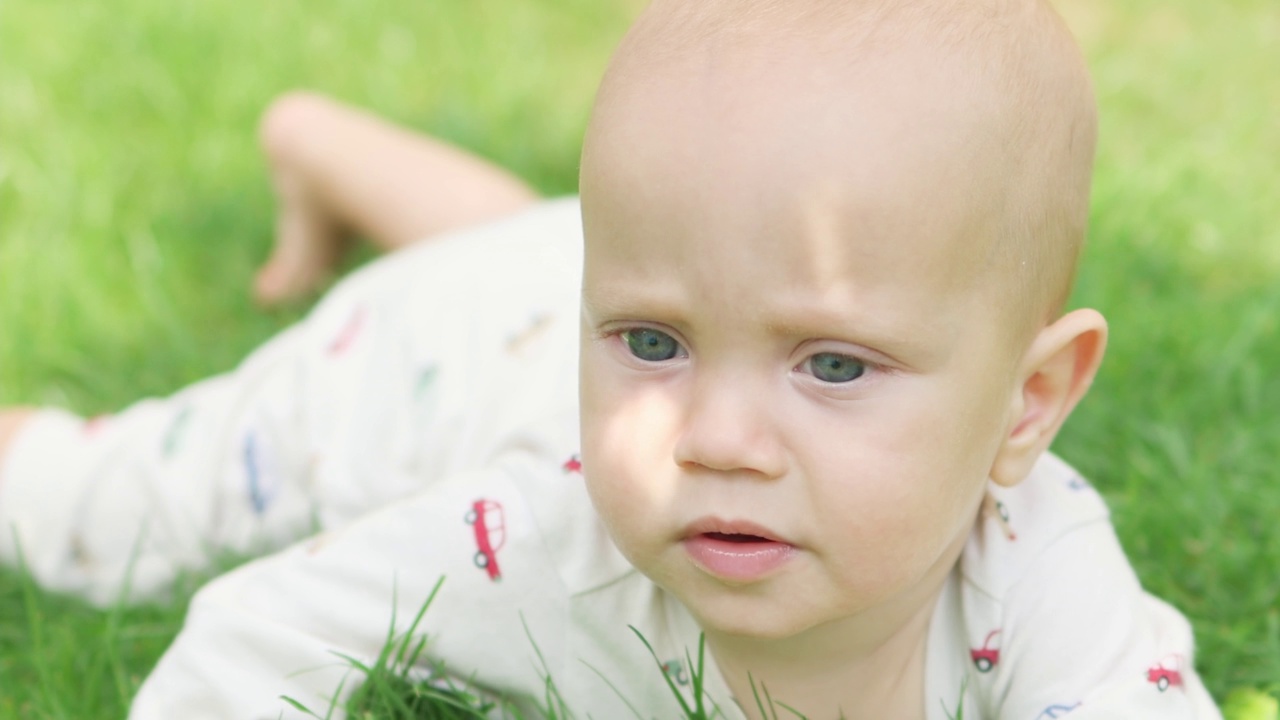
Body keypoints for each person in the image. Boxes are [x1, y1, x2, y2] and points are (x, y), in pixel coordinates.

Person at [0, 0, 1224, 718]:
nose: (717, 440)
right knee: (101, 510)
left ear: (1029, 402)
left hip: (538, 285)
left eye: (834, 367)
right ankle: (321, 154)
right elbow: (244, 634)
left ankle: (330, 149)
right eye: (648, 344)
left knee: (545, 256)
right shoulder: (531, 540)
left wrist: (658, 330)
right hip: (422, 356)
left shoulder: (1042, 575)